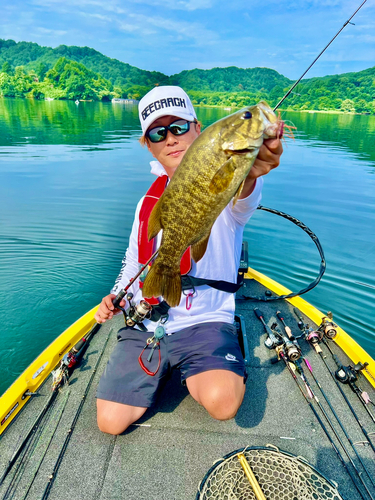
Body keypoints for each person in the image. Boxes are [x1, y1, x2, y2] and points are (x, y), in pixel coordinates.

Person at [95, 86, 283, 435]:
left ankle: (205, 361)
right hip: (149, 321)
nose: (171, 139)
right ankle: (166, 365)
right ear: (148, 144)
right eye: (157, 132)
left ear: (199, 130)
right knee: (109, 422)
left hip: (206, 319)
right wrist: (115, 294)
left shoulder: (228, 179)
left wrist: (252, 171)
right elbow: (133, 261)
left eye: (179, 127)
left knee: (223, 402)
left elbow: (243, 195)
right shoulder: (147, 203)